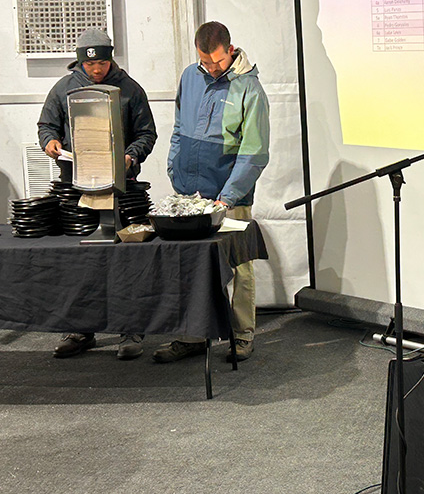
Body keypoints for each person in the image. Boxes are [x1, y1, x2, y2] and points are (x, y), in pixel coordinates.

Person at [37, 27, 158, 360]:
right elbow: (45, 125)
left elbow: (148, 133)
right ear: (80, 62)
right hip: (76, 188)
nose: (96, 70)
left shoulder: (131, 90)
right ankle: (80, 328)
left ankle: (131, 328)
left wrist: (132, 155)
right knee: (80, 263)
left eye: (102, 64)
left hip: (121, 191)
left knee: (126, 262)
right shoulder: (62, 89)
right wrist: (49, 142)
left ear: (111, 58)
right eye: (90, 65)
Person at [154, 21, 270, 363]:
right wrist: (174, 168)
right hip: (190, 194)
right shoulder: (191, 77)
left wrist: (229, 196)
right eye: (205, 61)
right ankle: (193, 335)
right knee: (190, 266)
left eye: (217, 62)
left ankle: (242, 334)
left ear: (230, 51)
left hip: (229, 197)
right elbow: (178, 128)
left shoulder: (250, 89)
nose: (211, 68)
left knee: (240, 264)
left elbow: (254, 153)